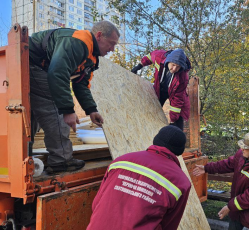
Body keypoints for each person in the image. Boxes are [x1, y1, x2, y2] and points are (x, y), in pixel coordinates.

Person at [29, 21, 120, 173]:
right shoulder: (79, 42)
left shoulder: (92, 57)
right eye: (111, 44)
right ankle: (61, 160)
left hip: (37, 66)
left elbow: (81, 84)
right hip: (31, 62)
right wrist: (67, 110)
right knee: (54, 108)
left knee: (32, 114)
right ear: (99, 36)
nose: (112, 49)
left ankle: (23, 155)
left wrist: (91, 110)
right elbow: (58, 73)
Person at [87, 125, 191, 230]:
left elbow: (96, 204)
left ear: (156, 140)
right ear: (179, 151)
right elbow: (169, 225)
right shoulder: (181, 182)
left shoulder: (119, 162)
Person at [193, 132, 249, 230]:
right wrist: (206, 168)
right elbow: (227, 164)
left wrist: (229, 207)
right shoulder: (242, 155)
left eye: (244, 148)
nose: (241, 149)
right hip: (237, 212)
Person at [131, 48, 191, 130]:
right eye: (173, 65)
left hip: (175, 94)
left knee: (177, 122)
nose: (174, 69)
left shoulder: (183, 77)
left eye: (178, 67)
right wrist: (139, 65)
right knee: (152, 110)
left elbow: (177, 99)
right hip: (160, 89)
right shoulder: (159, 56)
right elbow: (149, 56)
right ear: (168, 61)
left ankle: (176, 137)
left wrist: (173, 121)